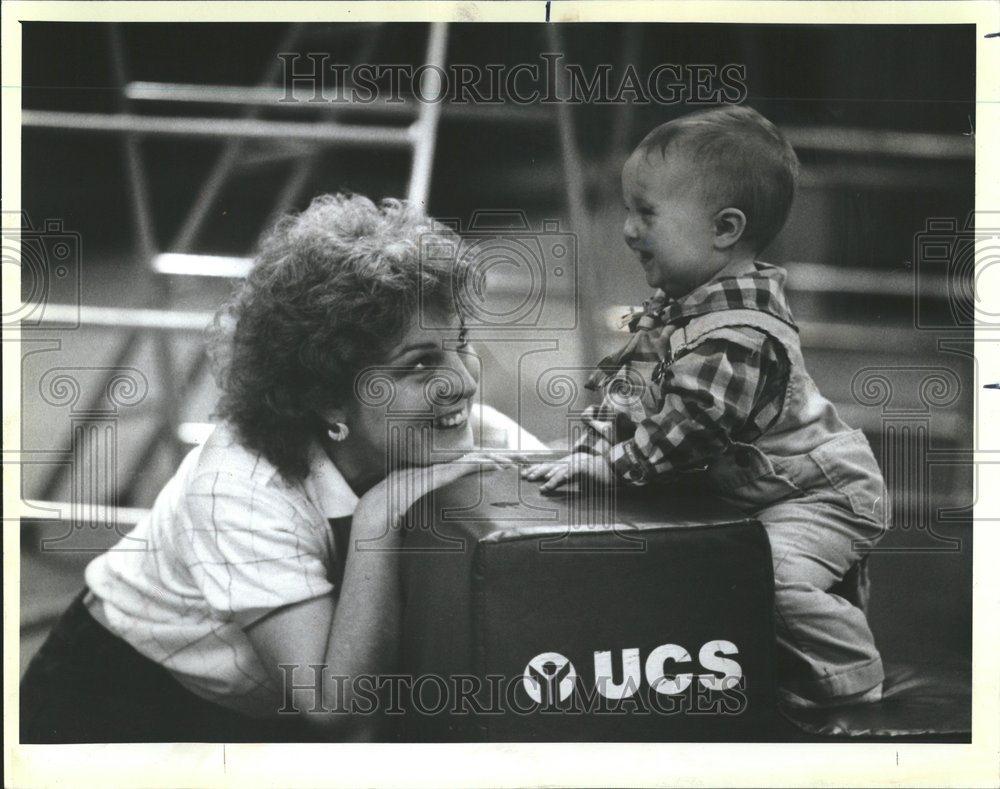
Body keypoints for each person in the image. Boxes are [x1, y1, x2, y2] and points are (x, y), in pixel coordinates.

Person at [20, 193, 543, 743]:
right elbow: (332, 704)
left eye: (460, 344)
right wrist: (380, 516)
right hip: (123, 701)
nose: (462, 381)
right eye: (420, 365)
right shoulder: (239, 486)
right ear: (329, 398)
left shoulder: (463, 432)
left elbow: (570, 504)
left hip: (269, 702)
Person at [523, 106, 888, 710]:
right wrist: (592, 446)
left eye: (647, 213)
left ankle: (853, 677)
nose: (628, 230)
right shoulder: (679, 307)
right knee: (709, 563)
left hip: (819, 495)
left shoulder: (739, 333)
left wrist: (617, 466)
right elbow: (631, 391)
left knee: (762, 576)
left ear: (724, 229)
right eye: (627, 211)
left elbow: (695, 423)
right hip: (760, 489)